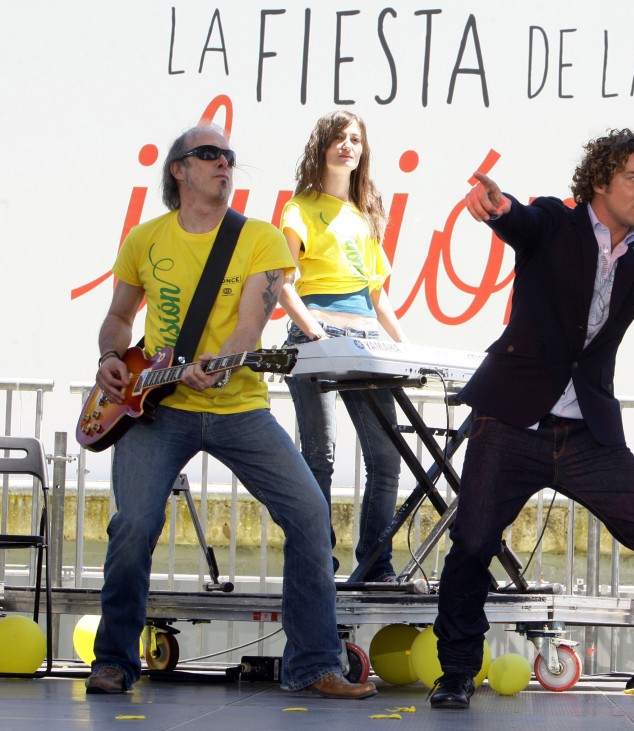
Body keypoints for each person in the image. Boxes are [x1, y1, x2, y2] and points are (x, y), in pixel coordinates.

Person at [428, 129, 634, 719]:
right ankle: (455, 672)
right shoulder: (557, 222)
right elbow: (518, 222)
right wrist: (499, 208)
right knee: (473, 541)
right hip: (513, 420)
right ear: (600, 181)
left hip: (588, 433)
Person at [84, 124, 376, 700]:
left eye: (229, 157)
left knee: (311, 516)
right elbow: (118, 319)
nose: (224, 164)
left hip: (239, 406)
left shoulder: (260, 238)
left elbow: (250, 326)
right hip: (154, 407)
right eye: (210, 155)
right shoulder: (145, 240)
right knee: (133, 525)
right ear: (179, 170)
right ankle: (115, 660)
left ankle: (315, 665)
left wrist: (220, 361)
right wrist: (111, 357)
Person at [279, 110, 405, 581]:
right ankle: (317, 561)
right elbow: (283, 285)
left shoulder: (365, 215)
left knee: (387, 457)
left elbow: (377, 294)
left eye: (355, 139)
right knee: (320, 456)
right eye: (338, 138)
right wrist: (315, 333)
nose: (347, 145)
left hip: (367, 338)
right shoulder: (298, 210)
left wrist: (405, 348)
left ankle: (375, 564)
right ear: (322, 148)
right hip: (317, 337)